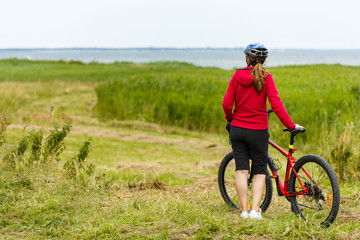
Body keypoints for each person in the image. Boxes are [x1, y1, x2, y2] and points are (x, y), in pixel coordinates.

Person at [222, 43, 303, 220]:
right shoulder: (267, 78)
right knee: (259, 170)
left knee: (241, 170)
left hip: (238, 129)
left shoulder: (237, 76)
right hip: (258, 131)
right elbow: (276, 105)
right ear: (264, 60)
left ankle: (244, 211)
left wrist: (231, 119)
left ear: (247, 59)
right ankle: (255, 211)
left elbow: (227, 104)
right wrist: (290, 125)